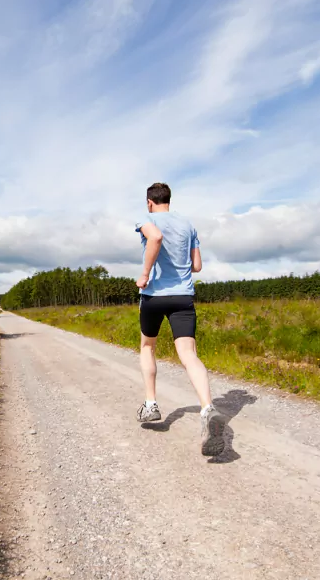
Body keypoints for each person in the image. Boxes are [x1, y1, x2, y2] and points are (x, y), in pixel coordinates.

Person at [134, 182, 225, 457]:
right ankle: (208, 408)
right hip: (183, 296)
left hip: (153, 296)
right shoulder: (188, 224)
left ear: (150, 202)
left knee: (148, 347)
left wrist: (145, 274)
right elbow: (197, 266)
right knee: (188, 354)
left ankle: (151, 404)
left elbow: (156, 238)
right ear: (168, 200)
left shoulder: (146, 219)